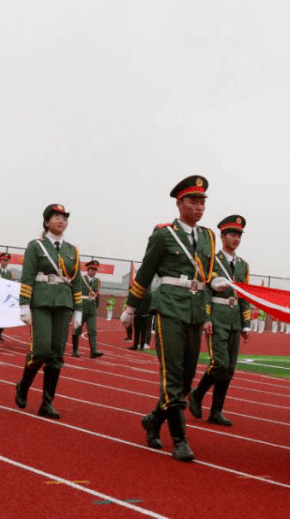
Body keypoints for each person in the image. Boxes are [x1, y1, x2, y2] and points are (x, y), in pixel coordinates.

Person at [120, 175, 216, 462]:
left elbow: (207, 275)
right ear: (179, 203)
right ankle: (179, 440)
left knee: (186, 381)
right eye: (193, 201)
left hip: (195, 309)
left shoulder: (209, 236)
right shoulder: (164, 234)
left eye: (202, 202)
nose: (198, 207)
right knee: (172, 375)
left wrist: (216, 287)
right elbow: (146, 272)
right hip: (169, 307)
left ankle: (153, 420)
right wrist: (131, 307)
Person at [14, 204, 84, 420]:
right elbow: (27, 276)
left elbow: (77, 281)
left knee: (56, 354)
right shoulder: (36, 246)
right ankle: (23, 385)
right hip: (42, 301)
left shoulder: (72, 250)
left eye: (64, 218)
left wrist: (78, 309)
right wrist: (24, 304)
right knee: (41, 349)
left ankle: (47, 402)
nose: (61, 221)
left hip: (63, 303)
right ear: (46, 222)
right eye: (56, 217)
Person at [188, 214, 252, 427]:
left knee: (230, 368)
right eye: (232, 234)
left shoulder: (243, 265)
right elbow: (204, 290)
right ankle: (197, 394)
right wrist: (206, 317)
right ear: (222, 236)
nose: (236, 239)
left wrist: (245, 323)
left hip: (234, 320)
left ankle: (216, 411)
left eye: (239, 235)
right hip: (216, 317)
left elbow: (244, 295)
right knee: (220, 363)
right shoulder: (212, 261)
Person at [71, 260, 104, 358]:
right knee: (77, 328)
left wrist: (95, 306)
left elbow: (96, 295)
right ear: (88, 269)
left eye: (95, 270)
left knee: (92, 330)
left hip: (92, 308)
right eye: (92, 269)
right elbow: (75, 292)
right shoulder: (81, 279)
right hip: (81, 306)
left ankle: (93, 351)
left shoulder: (97, 281)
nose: (94, 272)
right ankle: (75, 350)